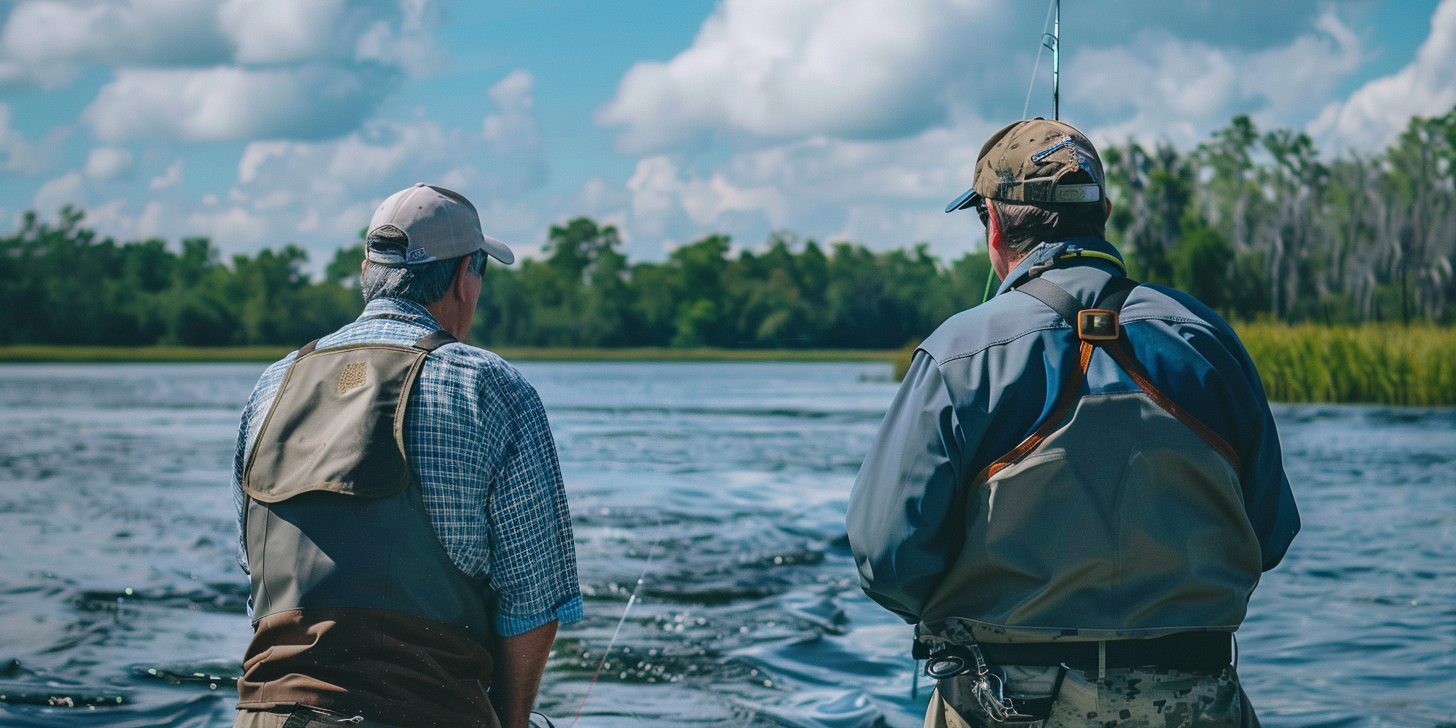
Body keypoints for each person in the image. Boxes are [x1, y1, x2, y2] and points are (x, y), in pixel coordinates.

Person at [846, 119, 1299, 728]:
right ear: (1103, 212)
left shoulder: (958, 353)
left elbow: (888, 561)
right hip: (1194, 698)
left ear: (995, 222)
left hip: (1004, 702)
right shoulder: (1209, 339)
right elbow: (1270, 534)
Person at [229, 183, 581, 728]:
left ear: (367, 271)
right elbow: (535, 606)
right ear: (467, 277)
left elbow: (257, 582)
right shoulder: (489, 387)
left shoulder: (271, 387)